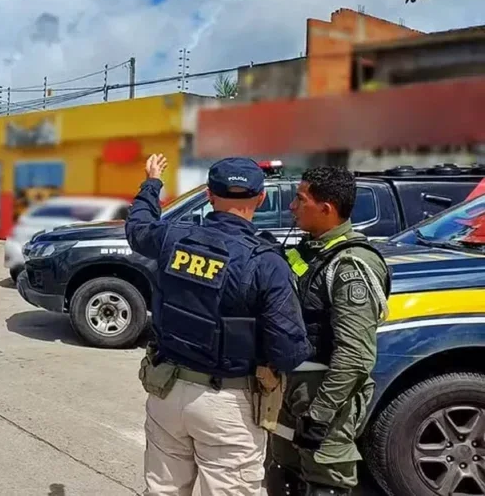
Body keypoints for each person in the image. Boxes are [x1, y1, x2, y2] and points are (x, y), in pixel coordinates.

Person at [125, 154, 311, 496]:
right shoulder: (266, 262)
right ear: (261, 198)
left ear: (209, 194)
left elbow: (137, 229)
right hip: (228, 405)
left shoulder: (173, 238)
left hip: (166, 391)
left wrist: (152, 182)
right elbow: (287, 352)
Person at [268, 167, 391, 496]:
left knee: (325, 483)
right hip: (291, 388)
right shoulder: (313, 249)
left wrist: (320, 415)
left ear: (326, 209)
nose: (293, 207)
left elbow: (354, 355)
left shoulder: (351, 265)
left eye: (300, 199)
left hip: (322, 395)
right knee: (282, 474)